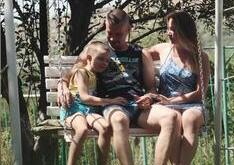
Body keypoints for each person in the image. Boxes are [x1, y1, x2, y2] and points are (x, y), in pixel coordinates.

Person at [58, 9, 178, 165]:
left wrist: (148, 98)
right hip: (112, 104)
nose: (113, 38)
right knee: (119, 119)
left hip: (138, 105)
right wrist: (63, 88)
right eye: (110, 33)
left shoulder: (141, 53)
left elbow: (151, 88)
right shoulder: (97, 52)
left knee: (171, 117)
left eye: (119, 34)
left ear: (129, 29)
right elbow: (68, 77)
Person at [149, 11, 210, 165]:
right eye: (169, 28)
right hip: (166, 104)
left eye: (174, 29)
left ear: (184, 31)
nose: (169, 33)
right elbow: (139, 55)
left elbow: (200, 92)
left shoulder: (199, 57)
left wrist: (171, 100)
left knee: (190, 119)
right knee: (173, 119)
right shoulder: (163, 49)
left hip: (192, 103)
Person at [60, 41, 124, 165]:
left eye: (106, 60)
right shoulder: (81, 72)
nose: (104, 64)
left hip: (89, 110)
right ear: (89, 58)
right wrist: (110, 101)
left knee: (105, 129)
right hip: (74, 108)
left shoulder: (95, 74)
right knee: (82, 130)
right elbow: (84, 97)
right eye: (100, 59)